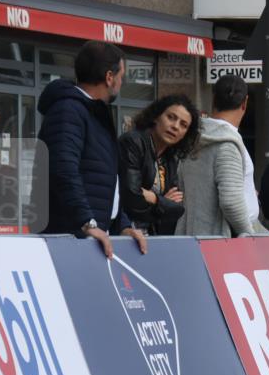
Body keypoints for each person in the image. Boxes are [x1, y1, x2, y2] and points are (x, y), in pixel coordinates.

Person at [34, 40, 146, 258]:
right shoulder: (69, 109)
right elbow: (63, 169)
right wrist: (87, 222)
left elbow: (105, 181)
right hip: (70, 240)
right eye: (121, 77)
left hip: (89, 236)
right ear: (109, 77)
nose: (121, 83)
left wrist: (121, 224)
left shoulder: (94, 113)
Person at [177, 74, 267, 237]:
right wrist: (248, 233)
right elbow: (231, 202)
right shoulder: (227, 144)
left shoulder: (192, 141)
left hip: (195, 235)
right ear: (245, 103)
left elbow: (182, 186)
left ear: (213, 99)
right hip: (226, 239)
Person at [118, 94, 199, 236]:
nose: (175, 126)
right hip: (124, 233)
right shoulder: (133, 142)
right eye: (171, 117)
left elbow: (176, 209)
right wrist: (162, 201)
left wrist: (152, 197)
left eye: (183, 125)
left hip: (152, 236)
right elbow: (130, 198)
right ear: (156, 116)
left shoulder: (170, 158)